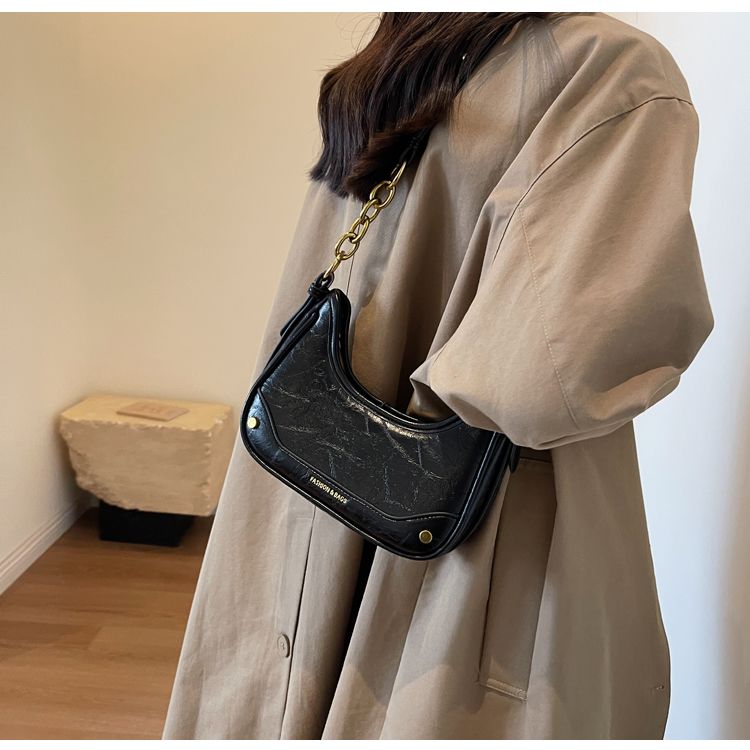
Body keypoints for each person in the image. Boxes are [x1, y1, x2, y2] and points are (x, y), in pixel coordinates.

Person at [163, 11, 714, 739]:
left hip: (306, 489)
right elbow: (542, 375)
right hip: (479, 524)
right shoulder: (609, 69)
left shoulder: (395, 58)